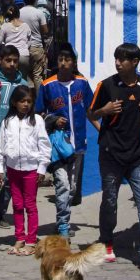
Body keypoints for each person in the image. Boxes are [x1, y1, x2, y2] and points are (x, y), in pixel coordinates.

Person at [89, 42, 140, 274]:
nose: (118, 62)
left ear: (134, 62)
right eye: (116, 58)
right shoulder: (106, 86)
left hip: (139, 157)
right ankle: (106, 241)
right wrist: (105, 112)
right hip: (111, 155)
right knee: (110, 201)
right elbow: (90, 113)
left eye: (122, 59)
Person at [35, 43, 94, 209]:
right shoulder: (47, 85)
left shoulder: (82, 83)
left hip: (79, 141)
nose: (63, 63)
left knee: (72, 186)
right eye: (60, 59)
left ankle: (64, 216)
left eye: (67, 60)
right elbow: (39, 113)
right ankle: (62, 224)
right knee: (63, 184)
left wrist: (101, 129)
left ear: (73, 63)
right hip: (59, 142)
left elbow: (91, 110)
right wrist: (53, 120)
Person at [0, 86, 51, 254]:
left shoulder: (37, 121)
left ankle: (31, 241)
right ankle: (19, 237)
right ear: (14, 102)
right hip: (12, 170)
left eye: (29, 101)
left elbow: (45, 146)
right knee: (17, 205)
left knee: (30, 205)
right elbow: (0, 146)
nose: (26, 104)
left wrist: (42, 168)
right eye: (22, 101)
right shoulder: (7, 121)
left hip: (31, 170)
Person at [0, 44, 31, 226]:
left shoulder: (22, 84)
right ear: (0, 60)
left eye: (15, 60)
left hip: (14, 138)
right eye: (8, 60)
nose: (12, 64)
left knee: (9, 181)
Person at [0, 4, 33, 79]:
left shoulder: (5, 26)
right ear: (18, 14)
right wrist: (25, 47)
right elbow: (30, 41)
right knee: (23, 79)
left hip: (10, 56)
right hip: (24, 56)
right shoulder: (25, 25)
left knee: (10, 79)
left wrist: (5, 46)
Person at [19, 0, 50, 87]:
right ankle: (39, 100)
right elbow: (45, 31)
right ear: (35, 1)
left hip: (22, 47)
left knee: (23, 75)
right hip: (36, 47)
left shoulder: (19, 12)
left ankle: (23, 98)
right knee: (37, 75)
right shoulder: (39, 13)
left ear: (24, 0)